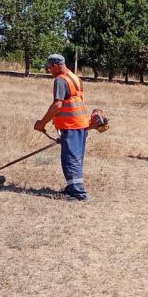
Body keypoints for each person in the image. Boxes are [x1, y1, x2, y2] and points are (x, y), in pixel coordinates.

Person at [34, 54, 90, 201]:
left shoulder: (60, 80)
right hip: (80, 124)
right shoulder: (73, 76)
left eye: (50, 67)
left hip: (71, 125)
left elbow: (57, 105)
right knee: (75, 158)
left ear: (57, 65)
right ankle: (72, 188)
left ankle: (78, 194)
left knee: (70, 160)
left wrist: (42, 123)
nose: (49, 70)